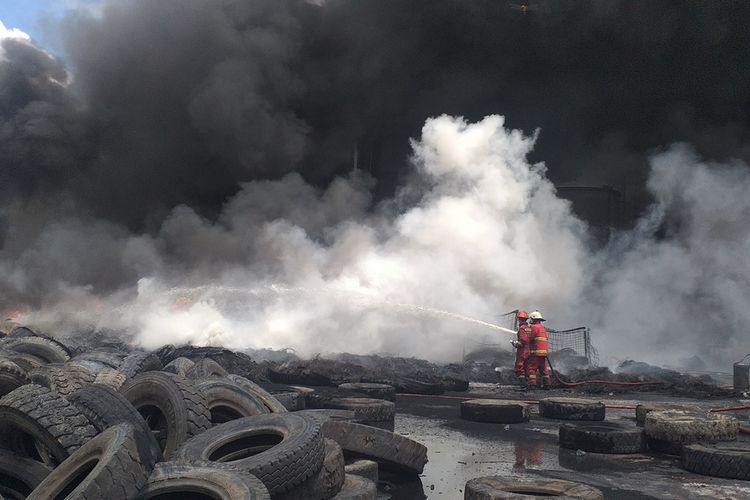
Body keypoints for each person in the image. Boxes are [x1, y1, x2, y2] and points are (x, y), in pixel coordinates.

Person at [526, 310, 551, 389]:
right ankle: (547, 385)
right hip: (543, 353)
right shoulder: (543, 328)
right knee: (543, 369)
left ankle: (532, 385)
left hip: (535, 353)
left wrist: (524, 333)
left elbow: (529, 338)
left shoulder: (533, 327)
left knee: (532, 369)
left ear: (533, 319)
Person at [512, 310, 531, 388]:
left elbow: (523, 341)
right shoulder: (529, 328)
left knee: (520, 366)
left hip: (522, 351)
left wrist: (514, 343)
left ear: (519, 319)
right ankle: (527, 385)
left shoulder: (522, 328)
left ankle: (522, 385)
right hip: (529, 350)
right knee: (527, 367)